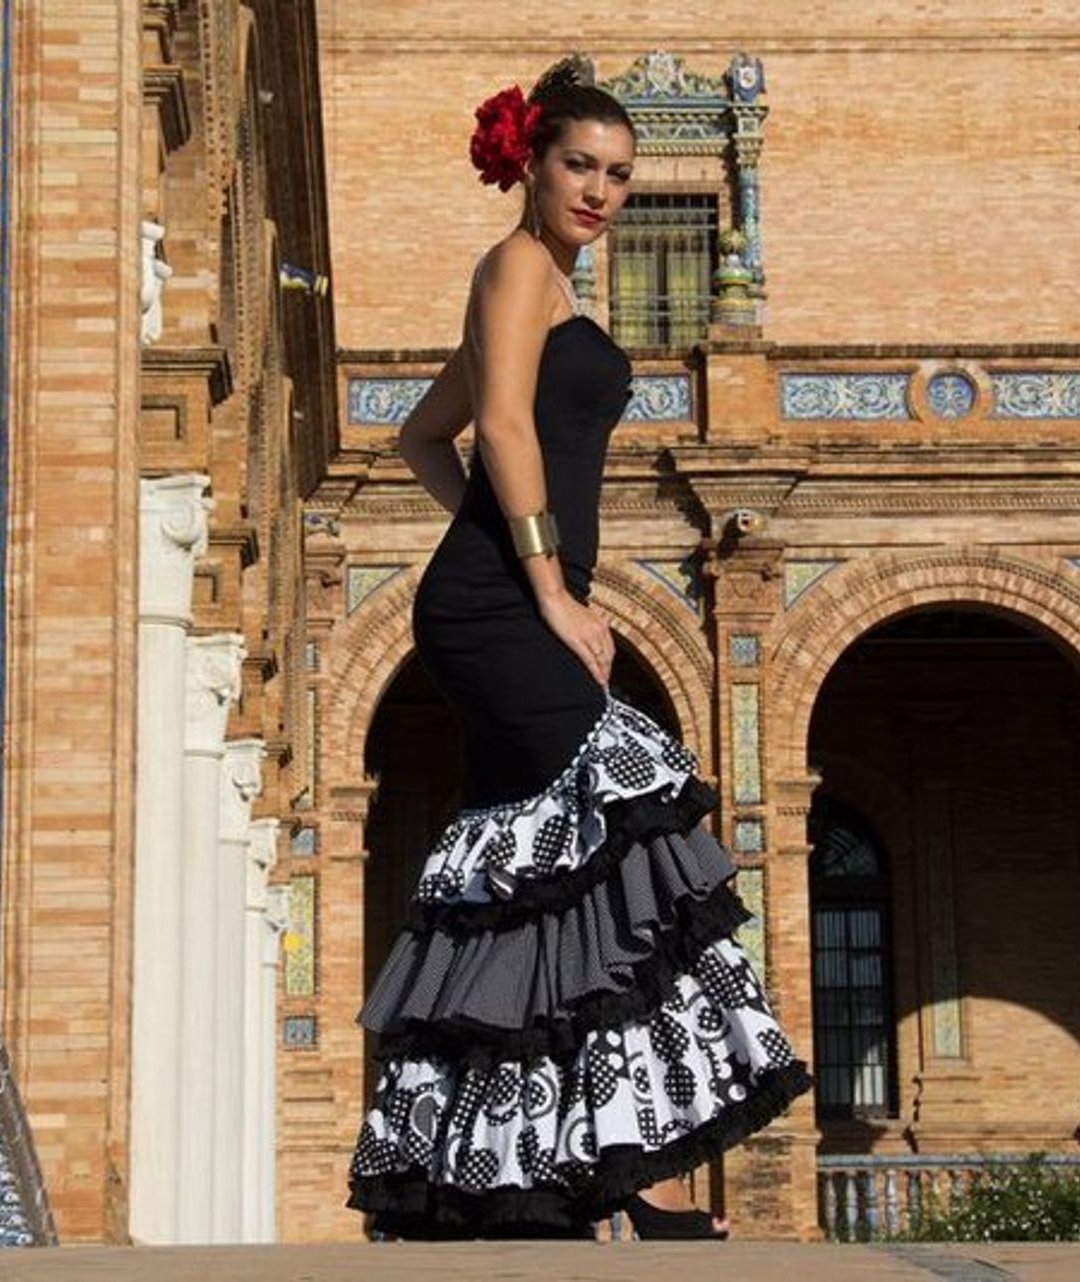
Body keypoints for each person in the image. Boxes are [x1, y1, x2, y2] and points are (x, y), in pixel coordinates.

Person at [346, 55, 811, 1242]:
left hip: (499, 590)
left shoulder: (543, 287)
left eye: (618, 176)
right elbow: (493, 425)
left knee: (535, 880)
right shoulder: (513, 267)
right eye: (580, 167)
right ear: (532, 163)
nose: (601, 193)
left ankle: (528, 1170)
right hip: (506, 609)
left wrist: (496, 544)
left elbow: (419, 437)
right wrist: (542, 583)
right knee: (623, 814)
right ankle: (614, 1171)